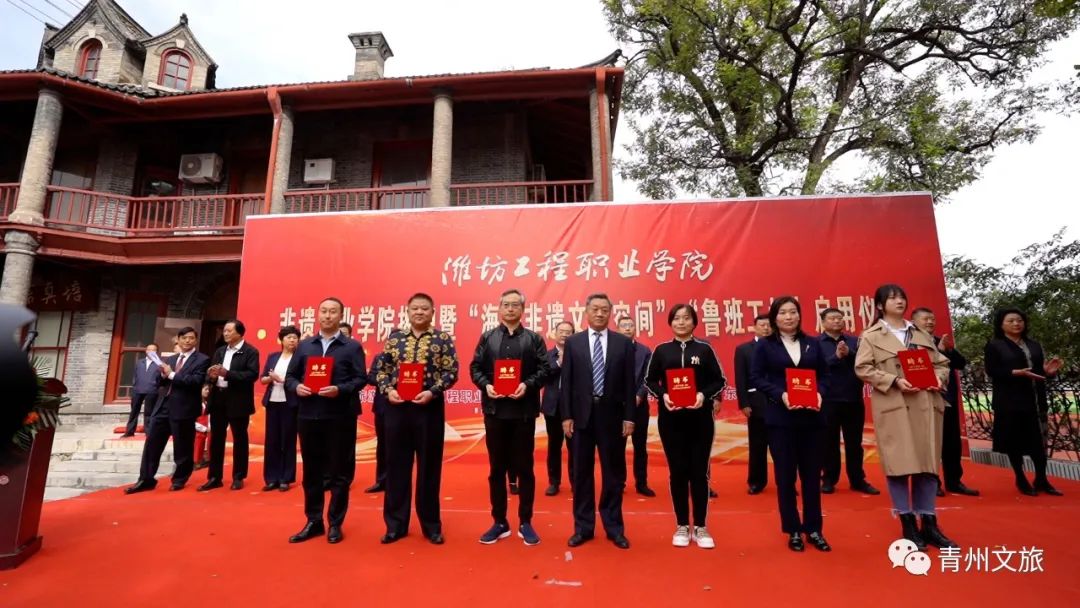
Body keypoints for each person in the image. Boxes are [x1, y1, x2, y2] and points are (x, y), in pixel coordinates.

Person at [855, 284, 957, 551]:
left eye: (901, 297)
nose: (898, 301)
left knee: (927, 465)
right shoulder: (871, 336)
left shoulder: (919, 332)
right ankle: (907, 523)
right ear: (879, 305)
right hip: (895, 405)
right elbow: (863, 367)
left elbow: (941, 362)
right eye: (891, 298)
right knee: (899, 466)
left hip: (926, 404)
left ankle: (930, 524)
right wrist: (894, 380)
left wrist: (938, 377)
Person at [376, 293, 459, 545]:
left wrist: (432, 391)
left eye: (424, 309)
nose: (419, 312)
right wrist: (388, 389)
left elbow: (451, 371)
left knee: (429, 468)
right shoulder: (395, 338)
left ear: (433, 312)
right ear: (407, 311)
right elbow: (382, 369)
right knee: (396, 466)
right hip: (397, 409)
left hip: (428, 409)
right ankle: (395, 525)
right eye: (415, 308)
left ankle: (431, 525)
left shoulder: (442, 338)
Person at [470, 289, 552, 546]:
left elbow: (545, 369)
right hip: (495, 412)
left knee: (525, 468)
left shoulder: (534, 339)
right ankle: (499, 521)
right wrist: (486, 386)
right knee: (497, 469)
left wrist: (527, 385)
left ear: (523, 309)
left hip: (523, 412)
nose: (510, 309)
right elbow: (475, 367)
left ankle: (525, 521)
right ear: (499, 308)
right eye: (506, 304)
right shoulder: (488, 338)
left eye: (515, 305)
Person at [750, 297, 831, 553]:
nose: (788, 317)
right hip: (781, 419)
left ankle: (814, 528)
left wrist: (819, 392)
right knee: (786, 476)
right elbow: (756, 377)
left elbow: (826, 375)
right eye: (783, 312)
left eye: (793, 312)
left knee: (810, 475)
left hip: (812, 418)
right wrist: (780, 394)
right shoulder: (764, 346)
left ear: (800, 315)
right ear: (774, 318)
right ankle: (793, 529)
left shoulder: (813, 344)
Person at [285, 297, 367, 545]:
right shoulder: (305, 345)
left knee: (340, 473)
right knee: (311, 471)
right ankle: (313, 521)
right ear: (317, 315)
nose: (328, 316)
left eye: (333, 312)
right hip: (309, 415)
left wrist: (340, 389)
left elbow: (360, 379)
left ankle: (335, 522)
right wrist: (297, 386)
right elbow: (290, 376)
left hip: (340, 416)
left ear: (341, 315)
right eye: (324, 311)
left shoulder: (351, 346)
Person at [644, 304, 726, 549]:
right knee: (678, 471)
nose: (681, 322)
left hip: (700, 418)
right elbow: (650, 380)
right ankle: (682, 524)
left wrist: (703, 395)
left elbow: (719, 380)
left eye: (686, 318)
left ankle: (701, 526)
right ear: (670, 322)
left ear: (694, 322)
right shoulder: (661, 350)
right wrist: (663, 395)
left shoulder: (704, 349)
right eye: (676, 318)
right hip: (671, 419)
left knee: (699, 472)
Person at [560, 293, 636, 550]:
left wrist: (629, 417)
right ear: (586, 312)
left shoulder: (623, 344)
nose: (600, 314)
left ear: (611, 313)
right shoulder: (574, 343)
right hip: (581, 416)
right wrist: (566, 416)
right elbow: (567, 383)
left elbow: (629, 384)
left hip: (612, 416)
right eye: (595, 309)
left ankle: (614, 527)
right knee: (581, 474)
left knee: (613, 474)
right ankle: (583, 528)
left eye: (605, 310)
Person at [984, 307, 1065, 497]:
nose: (1016, 324)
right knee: (1015, 441)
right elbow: (992, 371)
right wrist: (1015, 373)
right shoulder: (995, 345)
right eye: (1011, 321)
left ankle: (1041, 478)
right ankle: (1020, 477)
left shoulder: (1034, 345)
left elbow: (1038, 371)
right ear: (1001, 325)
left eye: (1019, 320)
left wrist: (1048, 373)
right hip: (1010, 400)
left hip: (1035, 399)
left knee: (1039, 441)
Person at [126, 327, 210, 494]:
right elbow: (158, 382)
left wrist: (171, 375)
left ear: (196, 341)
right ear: (178, 340)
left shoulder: (202, 359)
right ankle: (146, 479)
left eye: (191, 338)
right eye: (184, 338)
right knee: (152, 445)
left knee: (183, 446)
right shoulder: (170, 359)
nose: (188, 341)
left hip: (184, 408)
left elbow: (195, 381)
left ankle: (179, 479)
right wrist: (163, 376)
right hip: (163, 407)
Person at [911, 307, 980, 497]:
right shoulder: (911, 343)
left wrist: (948, 350)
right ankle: (932, 483)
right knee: (930, 444)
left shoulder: (940, 341)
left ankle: (954, 481)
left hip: (947, 400)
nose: (930, 322)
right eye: (925, 319)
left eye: (932, 319)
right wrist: (938, 353)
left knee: (951, 443)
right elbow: (918, 370)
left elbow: (960, 363)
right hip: (926, 401)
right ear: (914, 322)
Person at [818, 308, 879, 496]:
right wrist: (835, 357)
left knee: (854, 442)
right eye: (832, 318)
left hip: (853, 398)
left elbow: (866, 363)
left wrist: (850, 353)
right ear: (823, 321)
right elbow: (815, 368)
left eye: (839, 318)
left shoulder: (855, 341)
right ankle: (828, 479)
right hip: (828, 400)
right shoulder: (815, 343)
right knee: (829, 442)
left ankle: (857, 479)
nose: (837, 321)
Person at [200, 320, 260, 492]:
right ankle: (214, 477)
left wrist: (228, 374)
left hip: (238, 400)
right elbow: (212, 372)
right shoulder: (220, 351)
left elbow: (252, 375)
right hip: (218, 398)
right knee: (216, 439)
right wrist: (209, 380)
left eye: (228, 331)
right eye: (224, 331)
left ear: (240, 333)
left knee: (239, 439)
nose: (225, 334)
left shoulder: (250, 351)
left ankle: (238, 476)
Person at [616, 315, 656, 497]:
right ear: (617, 329)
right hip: (617, 406)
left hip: (639, 406)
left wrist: (639, 396)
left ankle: (641, 482)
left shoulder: (644, 351)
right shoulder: (612, 350)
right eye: (623, 326)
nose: (627, 328)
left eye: (630, 325)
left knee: (640, 446)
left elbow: (648, 378)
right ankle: (619, 482)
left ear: (635, 329)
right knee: (617, 447)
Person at [260, 326, 301, 492]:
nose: (292, 340)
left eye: (295, 338)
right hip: (272, 402)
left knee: (288, 441)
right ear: (281, 340)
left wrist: (282, 380)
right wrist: (271, 378)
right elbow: (263, 379)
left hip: (290, 402)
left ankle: (286, 478)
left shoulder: (300, 358)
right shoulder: (273, 357)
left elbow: (300, 380)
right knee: (272, 441)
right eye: (289, 337)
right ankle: (271, 478)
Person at [734, 314, 771, 494]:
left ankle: (786, 483)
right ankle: (756, 482)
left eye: (769, 325)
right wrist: (744, 403)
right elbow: (740, 378)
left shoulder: (779, 347)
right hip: (755, 404)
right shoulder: (744, 350)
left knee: (783, 447)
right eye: (762, 325)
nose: (766, 328)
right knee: (757, 446)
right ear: (754, 327)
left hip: (780, 403)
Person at [541, 321, 575, 495]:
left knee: (574, 447)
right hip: (552, 407)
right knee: (554, 445)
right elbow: (542, 376)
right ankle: (554, 482)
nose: (564, 334)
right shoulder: (546, 356)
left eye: (568, 332)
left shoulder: (579, 355)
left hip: (573, 408)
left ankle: (575, 482)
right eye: (561, 331)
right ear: (554, 334)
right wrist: (559, 364)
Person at [337, 322, 363, 489]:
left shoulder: (354, 349)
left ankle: (345, 478)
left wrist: (341, 388)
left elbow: (360, 377)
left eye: (345, 334)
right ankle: (327, 477)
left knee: (345, 445)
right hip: (324, 405)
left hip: (347, 404)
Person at [364, 352, 391, 493]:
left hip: (405, 406)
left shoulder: (413, 357)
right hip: (382, 406)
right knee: (382, 445)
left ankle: (398, 481)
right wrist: (389, 381)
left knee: (403, 446)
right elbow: (371, 377)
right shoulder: (380, 357)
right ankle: (382, 481)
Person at [123, 343, 161, 437]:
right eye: (149, 349)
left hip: (152, 390)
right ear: (146, 351)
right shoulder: (140, 362)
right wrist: (134, 386)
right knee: (134, 411)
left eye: (153, 350)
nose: (151, 352)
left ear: (157, 352)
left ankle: (148, 432)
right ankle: (129, 431)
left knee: (149, 412)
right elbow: (135, 376)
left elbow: (161, 378)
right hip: (138, 390)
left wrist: (156, 387)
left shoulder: (159, 363)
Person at [194, 385, 211, 469]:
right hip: (198, 433)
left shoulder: (207, 403)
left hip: (206, 434)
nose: (208, 391)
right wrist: (204, 428)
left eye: (208, 389)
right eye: (206, 389)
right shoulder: (196, 404)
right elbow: (192, 421)